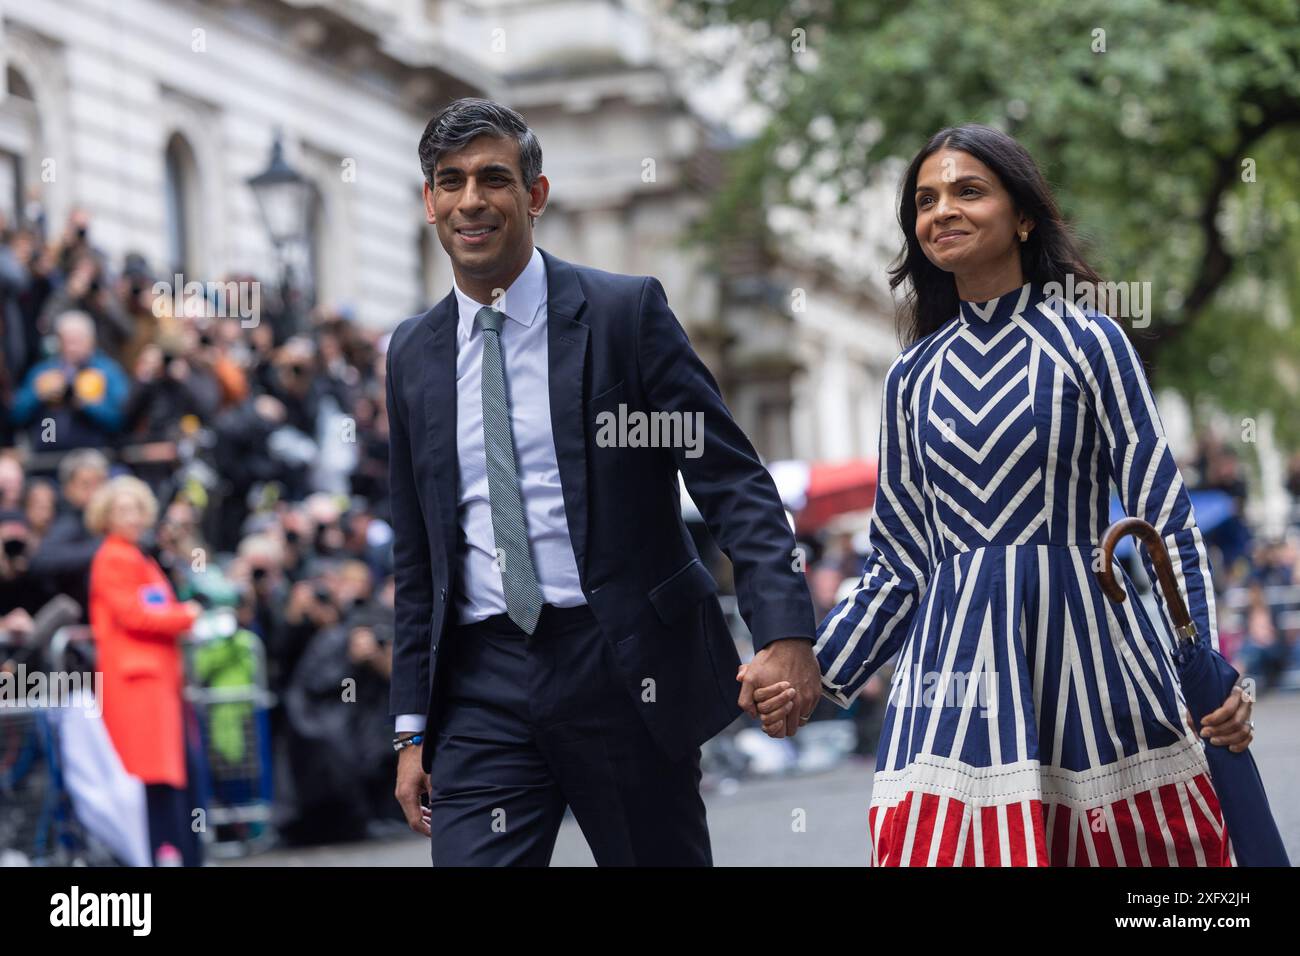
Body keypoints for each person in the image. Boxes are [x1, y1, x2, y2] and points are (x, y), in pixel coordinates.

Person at [747, 124, 1253, 867]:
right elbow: (899, 562)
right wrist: (811, 674)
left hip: (1098, 664)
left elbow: (1162, 524)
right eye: (925, 200)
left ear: (1023, 217)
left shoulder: (1092, 344)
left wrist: (1206, 668)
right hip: (953, 684)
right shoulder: (909, 379)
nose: (941, 210)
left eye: (967, 190)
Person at [388, 97, 818, 866]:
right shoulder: (413, 353)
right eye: (449, 182)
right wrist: (411, 726)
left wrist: (784, 633)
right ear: (429, 202)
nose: (471, 201)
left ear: (536, 195)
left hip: (622, 666)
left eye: (493, 178)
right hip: (482, 685)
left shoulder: (625, 314)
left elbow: (732, 483)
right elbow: (419, 553)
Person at [85, 474, 203, 866]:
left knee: (164, 776)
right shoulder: (114, 557)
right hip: (135, 683)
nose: (132, 516)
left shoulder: (138, 557)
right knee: (149, 778)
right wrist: (184, 616)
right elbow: (136, 615)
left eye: (137, 508)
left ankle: (173, 853)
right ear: (106, 516)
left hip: (154, 681)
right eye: (123, 509)